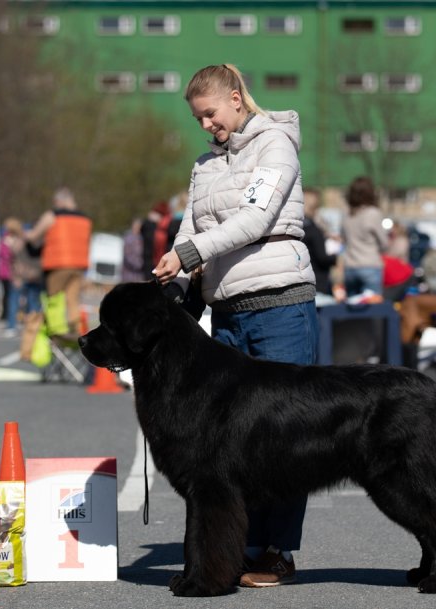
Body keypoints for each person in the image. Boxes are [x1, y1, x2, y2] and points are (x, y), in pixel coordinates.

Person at [153, 63, 317, 588]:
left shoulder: (275, 146)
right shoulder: (204, 167)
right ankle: (238, 547)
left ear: (236, 98)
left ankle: (276, 550)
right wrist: (174, 288)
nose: (206, 125)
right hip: (225, 316)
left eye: (211, 113)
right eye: (198, 118)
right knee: (228, 443)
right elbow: (188, 231)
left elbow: (255, 220)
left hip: (279, 306)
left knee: (285, 437)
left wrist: (188, 253)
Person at [26, 187, 92, 337]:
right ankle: (77, 334)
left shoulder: (52, 216)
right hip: (79, 265)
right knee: (73, 300)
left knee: (54, 300)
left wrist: (25, 235)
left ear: (58, 201)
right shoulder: (85, 219)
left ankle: (57, 334)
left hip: (58, 264)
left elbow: (34, 236)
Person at [340, 177, 389, 297]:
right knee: (373, 310)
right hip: (370, 265)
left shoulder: (347, 215)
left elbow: (344, 240)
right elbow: (384, 243)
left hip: (350, 267)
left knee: (352, 310)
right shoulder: (373, 213)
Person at [302, 187, 336, 295]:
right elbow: (322, 257)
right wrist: (335, 258)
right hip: (317, 280)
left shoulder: (299, 227)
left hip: (302, 278)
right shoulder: (313, 229)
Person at [121, 218, 146, 282]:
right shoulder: (128, 238)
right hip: (129, 274)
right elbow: (128, 255)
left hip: (139, 275)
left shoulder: (142, 237)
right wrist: (140, 265)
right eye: (137, 226)